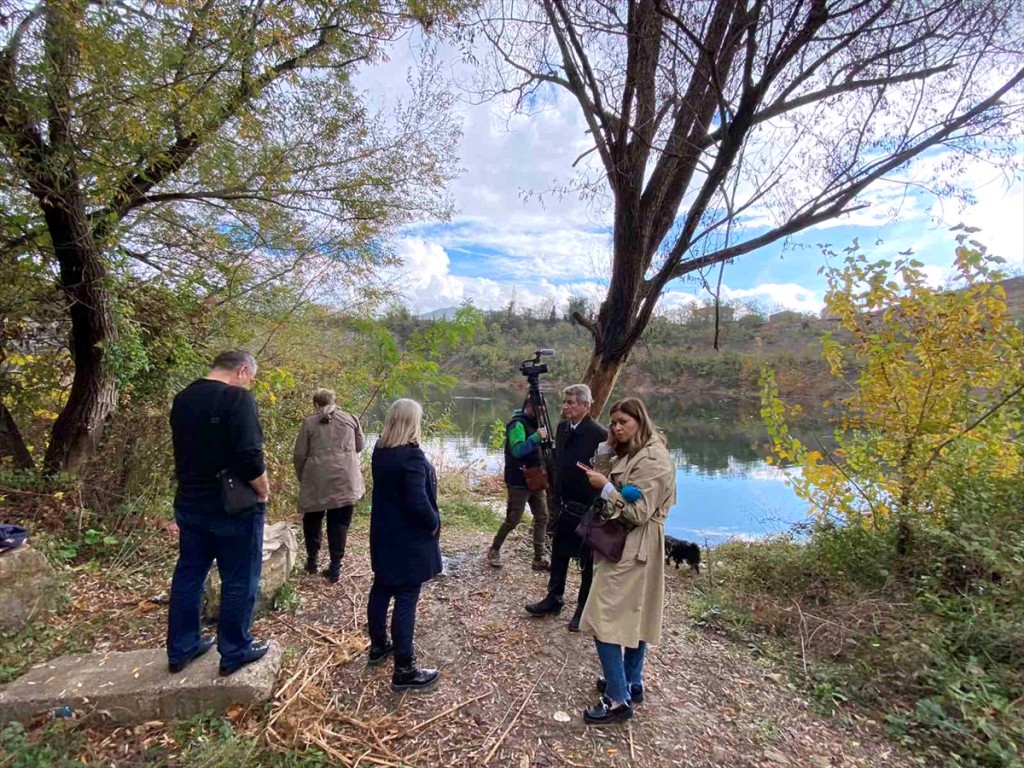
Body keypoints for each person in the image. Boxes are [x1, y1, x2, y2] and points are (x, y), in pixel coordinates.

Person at [167, 350, 271, 677]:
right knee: (240, 578)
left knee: (189, 574)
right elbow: (249, 453)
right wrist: (263, 489)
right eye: (250, 378)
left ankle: (181, 648)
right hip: (232, 506)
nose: (249, 384)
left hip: (189, 501)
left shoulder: (183, 398)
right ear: (242, 370)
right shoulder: (237, 399)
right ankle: (235, 650)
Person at [578, 397, 676, 725]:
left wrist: (607, 489)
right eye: (614, 422)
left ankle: (617, 700)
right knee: (635, 615)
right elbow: (605, 477)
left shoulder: (654, 459)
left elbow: (636, 513)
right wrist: (607, 449)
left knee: (602, 617)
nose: (618, 428)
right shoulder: (631, 450)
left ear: (640, 420)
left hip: (636, 544)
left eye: (624, 422)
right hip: (626, 543)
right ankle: (630, 684)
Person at [367, 398, 442, 692]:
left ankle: (378, 646)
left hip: (384, 534)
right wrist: (433, 521)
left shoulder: (380, 450)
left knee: (382, 586)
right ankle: (404, 668)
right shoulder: (410, 456)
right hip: (408, 539)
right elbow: (417, 502)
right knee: (407, 595)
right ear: (412, 422)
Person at [524, 384, 607, 631]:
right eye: (565, 402)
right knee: (559, 553)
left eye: (571, 402)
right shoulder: (561, 429)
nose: (566, 407)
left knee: (586, 561)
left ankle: (583, 608)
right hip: (563, 503)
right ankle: (554, 598)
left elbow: (604, 472)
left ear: (586, 405)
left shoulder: (599, 435)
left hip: (588, 507)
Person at [293, 388, 365, 583]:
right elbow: (360, 446)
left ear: (315, 404)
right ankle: (335, 568)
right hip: (345, 478)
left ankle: (312, 562)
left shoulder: (309, 423)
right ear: (335, 401)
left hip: (317, 479)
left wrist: (303, 477)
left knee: (313, 519)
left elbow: (299, 455)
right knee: (339, 523)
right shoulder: (351, 419)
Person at [486, 395, 550, 570]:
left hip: (536, 477)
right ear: (530, 407)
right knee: (513, 519)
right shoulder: (517, 424)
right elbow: (517, 450)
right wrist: (535, 438)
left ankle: (538, 557)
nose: (542, 415)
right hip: (518, 480)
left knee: (542, 516)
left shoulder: (538, 423)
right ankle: (494, 549)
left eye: (544, 411)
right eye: (540, 411)